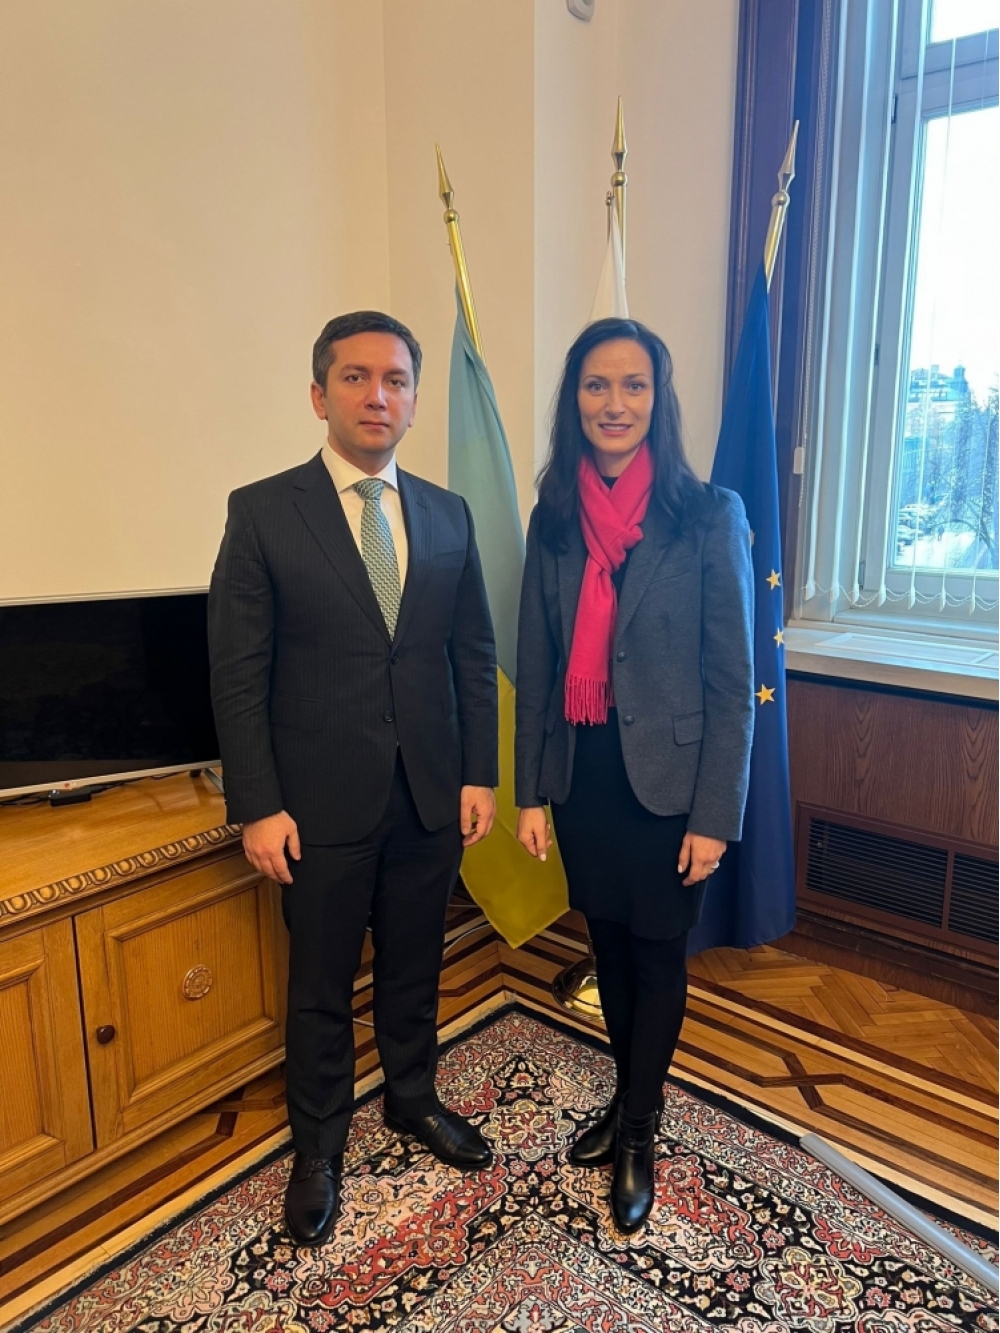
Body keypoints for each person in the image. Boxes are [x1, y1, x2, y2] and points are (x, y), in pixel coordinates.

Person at [208, 311, 499, 1248]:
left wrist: (480, 774)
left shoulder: (449, 514)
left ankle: (413, 1097)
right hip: (317, 804)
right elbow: (237, 674)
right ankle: (319, 1147)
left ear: (412, 399)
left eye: (397, 379)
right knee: (321, 985)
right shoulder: (263, 511)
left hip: (428, 795)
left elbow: (471, 654)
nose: (379, 395)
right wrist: (257, 804)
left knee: (416, 966)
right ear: (319, 394)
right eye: (356, 377)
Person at [514, 317, 753, 1234]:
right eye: (596, 385)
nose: (614, 403)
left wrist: (715, 814)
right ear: (574, 401)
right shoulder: (553, 519)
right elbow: (538, 663)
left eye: (633, 385)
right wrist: (531, 791)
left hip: (671, 788)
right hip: (586, 780)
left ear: (659, 399)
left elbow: (732, 681)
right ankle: (627, 1097)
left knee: (656, 955)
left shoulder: (708, 515)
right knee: (608, 949)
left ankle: (640, 1133)